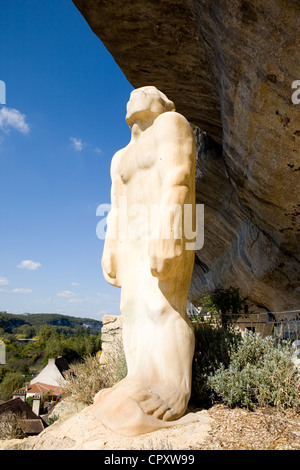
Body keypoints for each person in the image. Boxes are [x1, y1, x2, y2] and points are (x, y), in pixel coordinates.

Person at [84, 86, 197, 436]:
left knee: (162, 306)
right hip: (132, 238)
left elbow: (179, 176)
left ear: (165, 103)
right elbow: (116, 206)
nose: (136, 94)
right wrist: (110, 248)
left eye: (146, 92)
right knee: (132, 309)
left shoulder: (171, 124)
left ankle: (176, 387)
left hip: (171, 226)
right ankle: (139, 377)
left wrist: (170, 230)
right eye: (133, 92)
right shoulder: (119, 157)